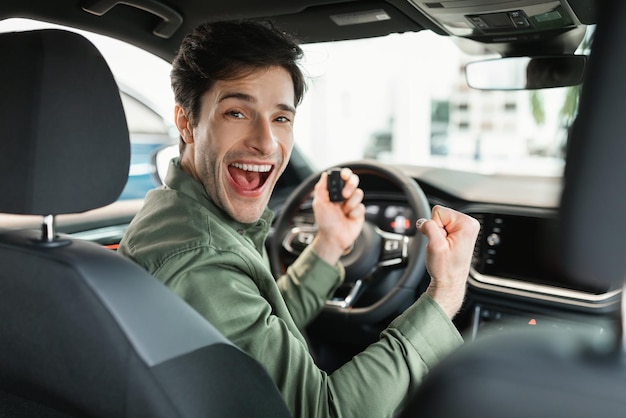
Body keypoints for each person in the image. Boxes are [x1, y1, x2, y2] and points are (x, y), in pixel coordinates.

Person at [118, 19, 480, 418]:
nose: (266, 142)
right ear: (187, 121)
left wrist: (328, 245)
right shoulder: (198, 259)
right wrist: (444, 293)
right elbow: (324, 412)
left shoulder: (176, 215)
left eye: (281, 118)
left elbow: (261, 326)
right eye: (237, 113)